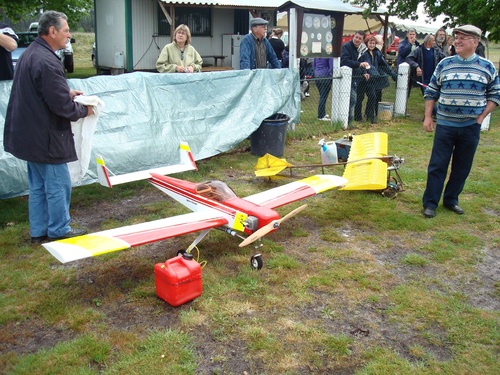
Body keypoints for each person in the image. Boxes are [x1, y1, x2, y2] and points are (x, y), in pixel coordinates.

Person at [3, 10, 94, 242]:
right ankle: (59, 230)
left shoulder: (31, 53)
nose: (69, 35)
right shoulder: (46, 60)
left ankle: (39, 230)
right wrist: (85, 110)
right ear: (52, 31)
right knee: (58, 185)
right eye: (66, 31)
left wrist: (66, 91)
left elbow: (41, 91)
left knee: (37, 186)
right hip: (44, 137)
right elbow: (62, 107)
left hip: (28, 134)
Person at [421, 25, 500, 218]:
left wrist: (481, 117)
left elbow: (495, 95)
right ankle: (430, 203)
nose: (457, 41)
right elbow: (431, 91)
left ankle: (451, 200)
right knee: (437, 165)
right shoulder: (445, 64)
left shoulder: (487, 67)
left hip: (470, 127)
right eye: (456, 37)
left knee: (462, 167)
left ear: (475, 42)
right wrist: (428, 116)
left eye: (463, 38)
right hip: (446, 125)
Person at [356, 35, 398, 123]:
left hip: (372, 79)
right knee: (360, 98)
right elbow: (366, 65)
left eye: (373, 43)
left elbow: (384, 65)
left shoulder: (377, 53)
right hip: (362, 79)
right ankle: (357, 117)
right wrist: (371, 73)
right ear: (366, 43)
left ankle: (370, 116)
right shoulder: (363, 53)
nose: (372, 45)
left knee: (372, 97)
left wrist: (392, 74)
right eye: (370, 43)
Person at [341, 30, 370, 124]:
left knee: (353, 99)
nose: (357, 39)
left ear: (362, 40)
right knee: (352, 98)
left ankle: (348, 120)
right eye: (356, 37)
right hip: (345, 76)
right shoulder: (346, 46)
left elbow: (362, 61)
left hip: (356, 77)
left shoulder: (361, 49)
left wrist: (364, 72)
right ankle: (348, 120)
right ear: (353, 36)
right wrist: (359, 64)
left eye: (359, 38)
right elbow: (344, 61)